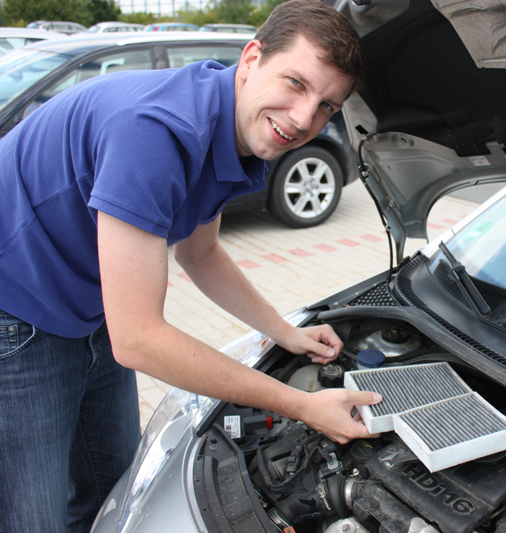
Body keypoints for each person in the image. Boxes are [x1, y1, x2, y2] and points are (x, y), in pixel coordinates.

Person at [0, 1, 381, 531]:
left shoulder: (236, 129)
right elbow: (138, 340)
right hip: (15, 313)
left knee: (115, 490)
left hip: (91, 309)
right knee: (32, 517)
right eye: (295, 83)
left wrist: (284, 334)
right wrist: (300, 403)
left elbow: (200, 253)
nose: (303, 119)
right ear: (251, 57)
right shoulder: (156, 134)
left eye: (326, 106)